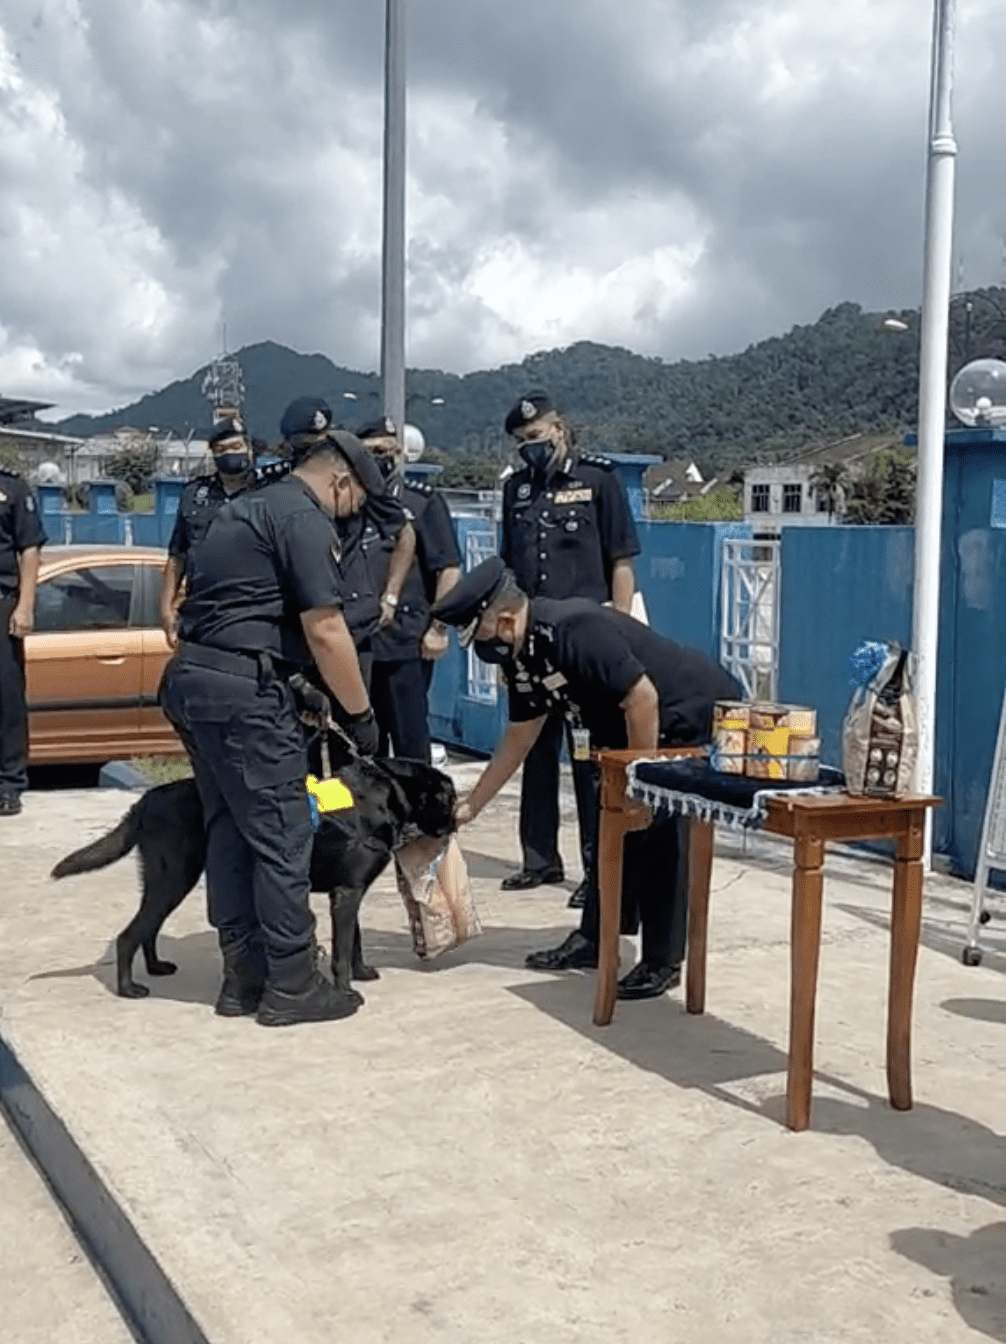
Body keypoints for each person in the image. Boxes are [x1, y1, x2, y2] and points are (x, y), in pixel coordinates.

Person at [431, 558, 739, 1000]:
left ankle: (662, 960)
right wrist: (472, 804)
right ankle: (596, 938)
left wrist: (642, 785)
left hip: (680, 716)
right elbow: (520, 734)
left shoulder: (574, 630)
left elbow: (643, 700)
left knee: (659, 833)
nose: (475, 644)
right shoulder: (524, 650)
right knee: (608, 827)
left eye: (474, 632)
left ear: (501, 619)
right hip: (622, 729)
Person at [159, 424, 384, 1027]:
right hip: (242, 698)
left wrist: (293, 685)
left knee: (230, 829)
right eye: (357, 501)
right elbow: (326, 628)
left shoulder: (240, 509)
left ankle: (242, 978)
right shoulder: (301, 517)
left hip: (194, 682)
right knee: (284, 837)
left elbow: (234, 611)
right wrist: (359, 714)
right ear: (340, 480)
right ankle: (292, 983)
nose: (352, 514)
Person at [499, 391, 640, 907]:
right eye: (520, 442)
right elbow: (507, 574)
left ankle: (592, 868)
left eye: (536, 437)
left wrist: (621, 632)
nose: (529, 448)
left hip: (585, 642)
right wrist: (507, 648)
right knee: (533, 750)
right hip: (531, 643)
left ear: (559, 428)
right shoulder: (515, 490)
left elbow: (621, 560)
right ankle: (539, 859)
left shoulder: (598, 481)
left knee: (587, 760)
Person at [278, 399, 416, 689]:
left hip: (351, 624)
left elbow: (404, 532)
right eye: (306, 443)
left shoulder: (354, 477)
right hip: (295, 629)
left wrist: (390, 596)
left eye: (322, 441)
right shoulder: (279, 488)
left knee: (353, 722)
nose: (315, 449)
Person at [356, 416, 461, 761]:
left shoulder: (422, 502)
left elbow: (447, 569)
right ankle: (355, 815)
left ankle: (418, 816)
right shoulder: (348, 504)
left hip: (407, 643)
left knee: (410, 742)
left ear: (398, 454)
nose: (377, 458)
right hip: (358, 646)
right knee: (358, 748)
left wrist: (439, 628)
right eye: (369, 451)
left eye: (383, 450)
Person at [159, 416, 255, 646]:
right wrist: (166, 607)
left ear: (249, 449)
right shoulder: (194, 494)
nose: (229, 454)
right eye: (221, 449)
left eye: (236, 447)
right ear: (212, 454)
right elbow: (177, 556)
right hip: (203, 610)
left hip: (253, 611)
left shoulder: (270, 491)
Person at [0, 466, 46, 817]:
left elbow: (29, 548)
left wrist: (25, 605)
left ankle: (9, 784)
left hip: (2, 604)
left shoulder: (11, 487)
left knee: (6, 697)